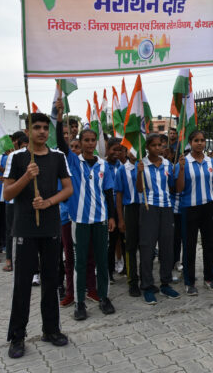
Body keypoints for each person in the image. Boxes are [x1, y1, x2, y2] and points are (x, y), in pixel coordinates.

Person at [3, 112, 73, 359]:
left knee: (51, 280)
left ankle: (51, 329)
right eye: (37, 128)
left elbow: (68, 188)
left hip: (51, 227)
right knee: (22, 284)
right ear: (29, 130)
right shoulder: (18, 158)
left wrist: (49, 202)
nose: (42, 131)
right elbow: (7, 194)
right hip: (24, 228)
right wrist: (26, 176)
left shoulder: (58, 156)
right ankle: (17, 336)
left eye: (45, 127)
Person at [55, 100, 116, 320]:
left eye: (92, 140)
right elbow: (61, 144)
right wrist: (59, 117)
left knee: (101, 261)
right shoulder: (73, 161)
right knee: (79, 262)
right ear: (79, 143)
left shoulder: (103, 165)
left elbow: (108, 192)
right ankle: (80, 302)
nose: (90, 144)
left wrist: (111, 216)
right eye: (86, 141)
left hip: (100, 219)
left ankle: (103, 297)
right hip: (79, 220)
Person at [137, 133, 184, 304]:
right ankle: (148, 286)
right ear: (147, 147)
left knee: (167, 247)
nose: (158, 148)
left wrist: (181, 169)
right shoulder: (142, 163)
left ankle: (165, 283)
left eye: (160, 145)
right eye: (154, 145)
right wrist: (139, 172)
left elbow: (175, 188)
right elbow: (139, 190)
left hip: (166, 208)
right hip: (149, 207)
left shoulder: (167, 164)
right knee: (148, 247)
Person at [179, 130, 213, 295]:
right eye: (196, 140)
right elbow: (179, 188)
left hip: (208, 207)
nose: (200, 143)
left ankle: (209, 278)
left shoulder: (211, 162)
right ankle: (189, 281)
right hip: (189, 208)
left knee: (210, 244)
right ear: (190, 142)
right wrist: (181, 169)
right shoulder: (184, 163)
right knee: (189, 246)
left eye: (202, 140)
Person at [115, 148, 144, 297]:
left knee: (146, 246)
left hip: (145, 208)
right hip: (131, 209)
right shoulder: (122, 170)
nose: (134, 153)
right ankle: (133, 280)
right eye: (131, 150)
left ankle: (146, 279)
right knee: (131, 246)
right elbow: (118, 195)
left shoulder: (145, 165)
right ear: (126, 152)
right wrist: (121, 219)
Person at [3, 132, 29, 272]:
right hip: (12, 202)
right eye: (23, 146)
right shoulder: (13, 159)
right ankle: (9, 259)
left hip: (26, 202)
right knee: (10, 231)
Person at [104, 137, 123, 284]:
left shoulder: (122, 166)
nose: (116, 152)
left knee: (121, 240)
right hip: (108, 208)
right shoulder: (103, 166)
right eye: (114, 149)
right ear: (107, 149)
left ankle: (124, 267)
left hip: (121, 208)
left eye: (119, 150)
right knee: (110, 243)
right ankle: (108, 272)